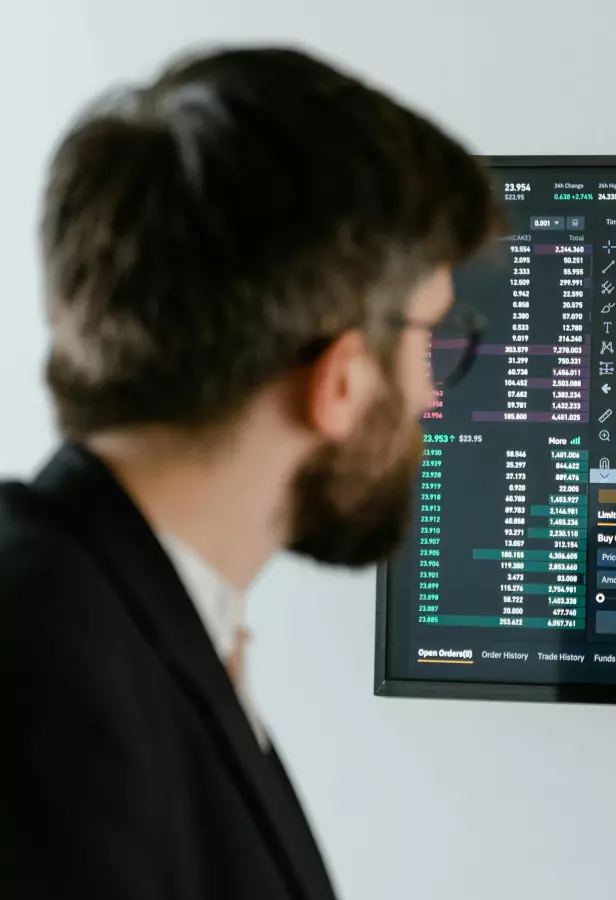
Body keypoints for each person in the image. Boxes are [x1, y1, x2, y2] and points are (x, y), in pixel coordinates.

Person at [0, 46, 502, 898]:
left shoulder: (130, 616)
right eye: (431, 341)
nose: (430, 394)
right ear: (339, 381)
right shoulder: (54, 692)